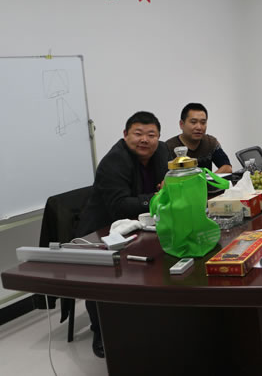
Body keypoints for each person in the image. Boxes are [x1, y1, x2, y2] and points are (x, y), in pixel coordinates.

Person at [75, 111, 170, 358]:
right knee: (104, 277)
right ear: (125, 134)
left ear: (159, 137)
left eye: (151, 135)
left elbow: (168, 184)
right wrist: (155, 197)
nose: (145, 140)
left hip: (138, 225)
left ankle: (149, 318)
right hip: (100, 231)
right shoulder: (114, 161)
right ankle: (100, 331)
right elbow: (120, 206)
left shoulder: (162, 151)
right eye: (138, 133)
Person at [166, 103, 232, 173]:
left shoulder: (210, 142)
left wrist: (209, 178)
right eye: (193, 122)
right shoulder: (168, 147)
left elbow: (227, 168)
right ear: (181, 124)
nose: (199, 127)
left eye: (203, 123)